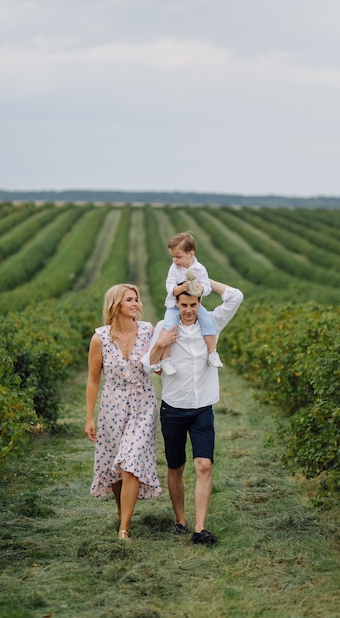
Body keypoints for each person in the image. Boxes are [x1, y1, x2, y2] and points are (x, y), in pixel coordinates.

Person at [142, 279, 244, 545]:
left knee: (204, 465)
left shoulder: (211, 324)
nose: (189, 309)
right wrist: (159, 344)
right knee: (176, 467)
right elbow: (146, 366)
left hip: (202, 410)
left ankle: (200, 528)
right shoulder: (165, 327)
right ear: (176, 303)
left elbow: (235, 296)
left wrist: (201, 279)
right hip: (173, 409)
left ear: (200, 302)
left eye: (194, 304)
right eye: (184, 304)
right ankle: (180, 520)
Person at [85, 284, 161, 541]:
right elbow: (94, 380)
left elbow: (159, 365)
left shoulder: (148, 331)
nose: (135, 303)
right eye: (129, 299)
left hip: (143, 403)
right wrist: (89, 417)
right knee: (114, 466)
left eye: (137, 299)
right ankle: (121, 512)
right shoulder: (100, 339)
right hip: (112, 405)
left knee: (131, 463)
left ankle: (124, 528)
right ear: (116, 304)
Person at [160, 232, 223, 375]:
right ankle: (165, 360)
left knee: (208, 323)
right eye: (173, 256)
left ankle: (212, 353)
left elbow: (207, 287)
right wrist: (178, 289)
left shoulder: (200, 269)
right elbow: (169, 286)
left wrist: (201, 288)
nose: (175, 260)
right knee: (169, 328)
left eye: (178, 256)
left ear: (191, 254)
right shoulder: (174, 268)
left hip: (193, 304)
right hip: (175, 305)